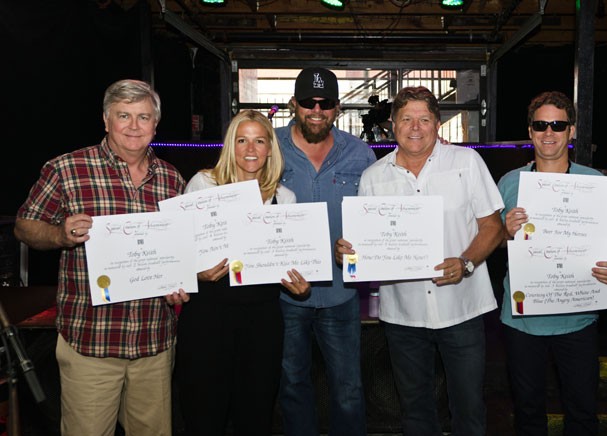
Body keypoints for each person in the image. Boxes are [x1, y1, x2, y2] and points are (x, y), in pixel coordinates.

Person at [14, 79, 189, 436]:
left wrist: (178, 284)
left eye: (143, 117)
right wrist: (59, 234)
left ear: (156, 125)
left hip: (153, 342)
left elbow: (178, 250)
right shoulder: (67, 169)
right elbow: (24, 227)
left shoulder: (171, 179)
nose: (134, 126)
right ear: (106, 120)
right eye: (124, 115)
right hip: (92, 341)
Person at [336, 85, 505, 435]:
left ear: (438, 124)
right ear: (393, 126)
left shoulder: (466, 162)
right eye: (406, 119)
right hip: (403, 315)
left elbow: (493, 226)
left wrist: (467, 262)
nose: (415, 127)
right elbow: (366, 245)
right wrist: (350, 253)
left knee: (469, 408)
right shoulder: (373, 177)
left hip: (463, 308)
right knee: (414, 410)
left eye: (424, 119)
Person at [496, 90, 607, 436]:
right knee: (527, 413)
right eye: (541, 125)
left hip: (579, 319)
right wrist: (504, 230)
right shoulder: (510, 183)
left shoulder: (594, 182)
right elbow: (491, 239)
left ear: (572, 131)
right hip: (522, 322)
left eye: (558, 124)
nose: (549, 132)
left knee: (583, 413)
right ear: (530, 131)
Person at [174, 109, 310, 436]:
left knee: (256, 411)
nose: (250, 148)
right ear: (230, 146)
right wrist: (195, 273)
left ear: (270, 149)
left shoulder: (285, 198)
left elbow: (293, 263)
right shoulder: (204, 183)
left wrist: (301, 286)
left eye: (259, 140)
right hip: (208, 317)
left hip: (261, 321)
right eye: (242, 140)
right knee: (204, 413)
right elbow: (178, 252)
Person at [275, 67, 375, 436]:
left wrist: (360, 244)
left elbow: (374, 218)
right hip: (283, 295)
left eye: (326, 103)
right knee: (292, 386)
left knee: (348, 389)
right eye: (307, 102)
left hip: (340, 295)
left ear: (337, 107)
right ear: (293, 105)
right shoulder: (268, 147)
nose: (316, 110)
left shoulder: (360, 154)